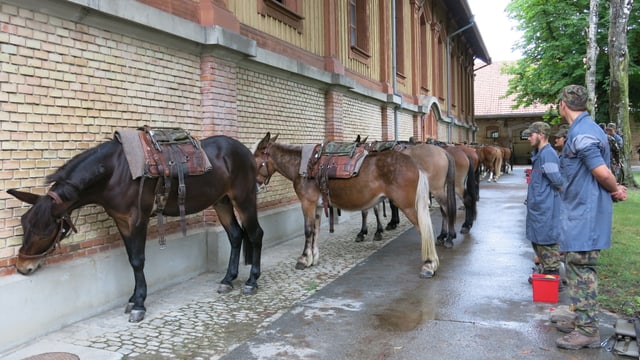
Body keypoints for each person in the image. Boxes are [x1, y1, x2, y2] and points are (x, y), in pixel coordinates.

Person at [555, 85, 627, 350]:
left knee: (581, 271)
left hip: (584, 214)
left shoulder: (583, 133)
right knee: (576, 269)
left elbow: (600, 171)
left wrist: (615, 188)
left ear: (563, 105)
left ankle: (587, 331)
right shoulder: (589, 128)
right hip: (580, 211)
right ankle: (582, 320)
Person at [525, 122, 565, 286]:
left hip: (546, 208)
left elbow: (558, 181)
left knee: (547, 241)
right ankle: (545, 273)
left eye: (531, 135)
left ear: (541, 135)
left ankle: (551, 279)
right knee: (538, 240)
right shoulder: (540, 154)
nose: (528, 138)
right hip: (539, 208)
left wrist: (544, 198)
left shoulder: (547, 154)